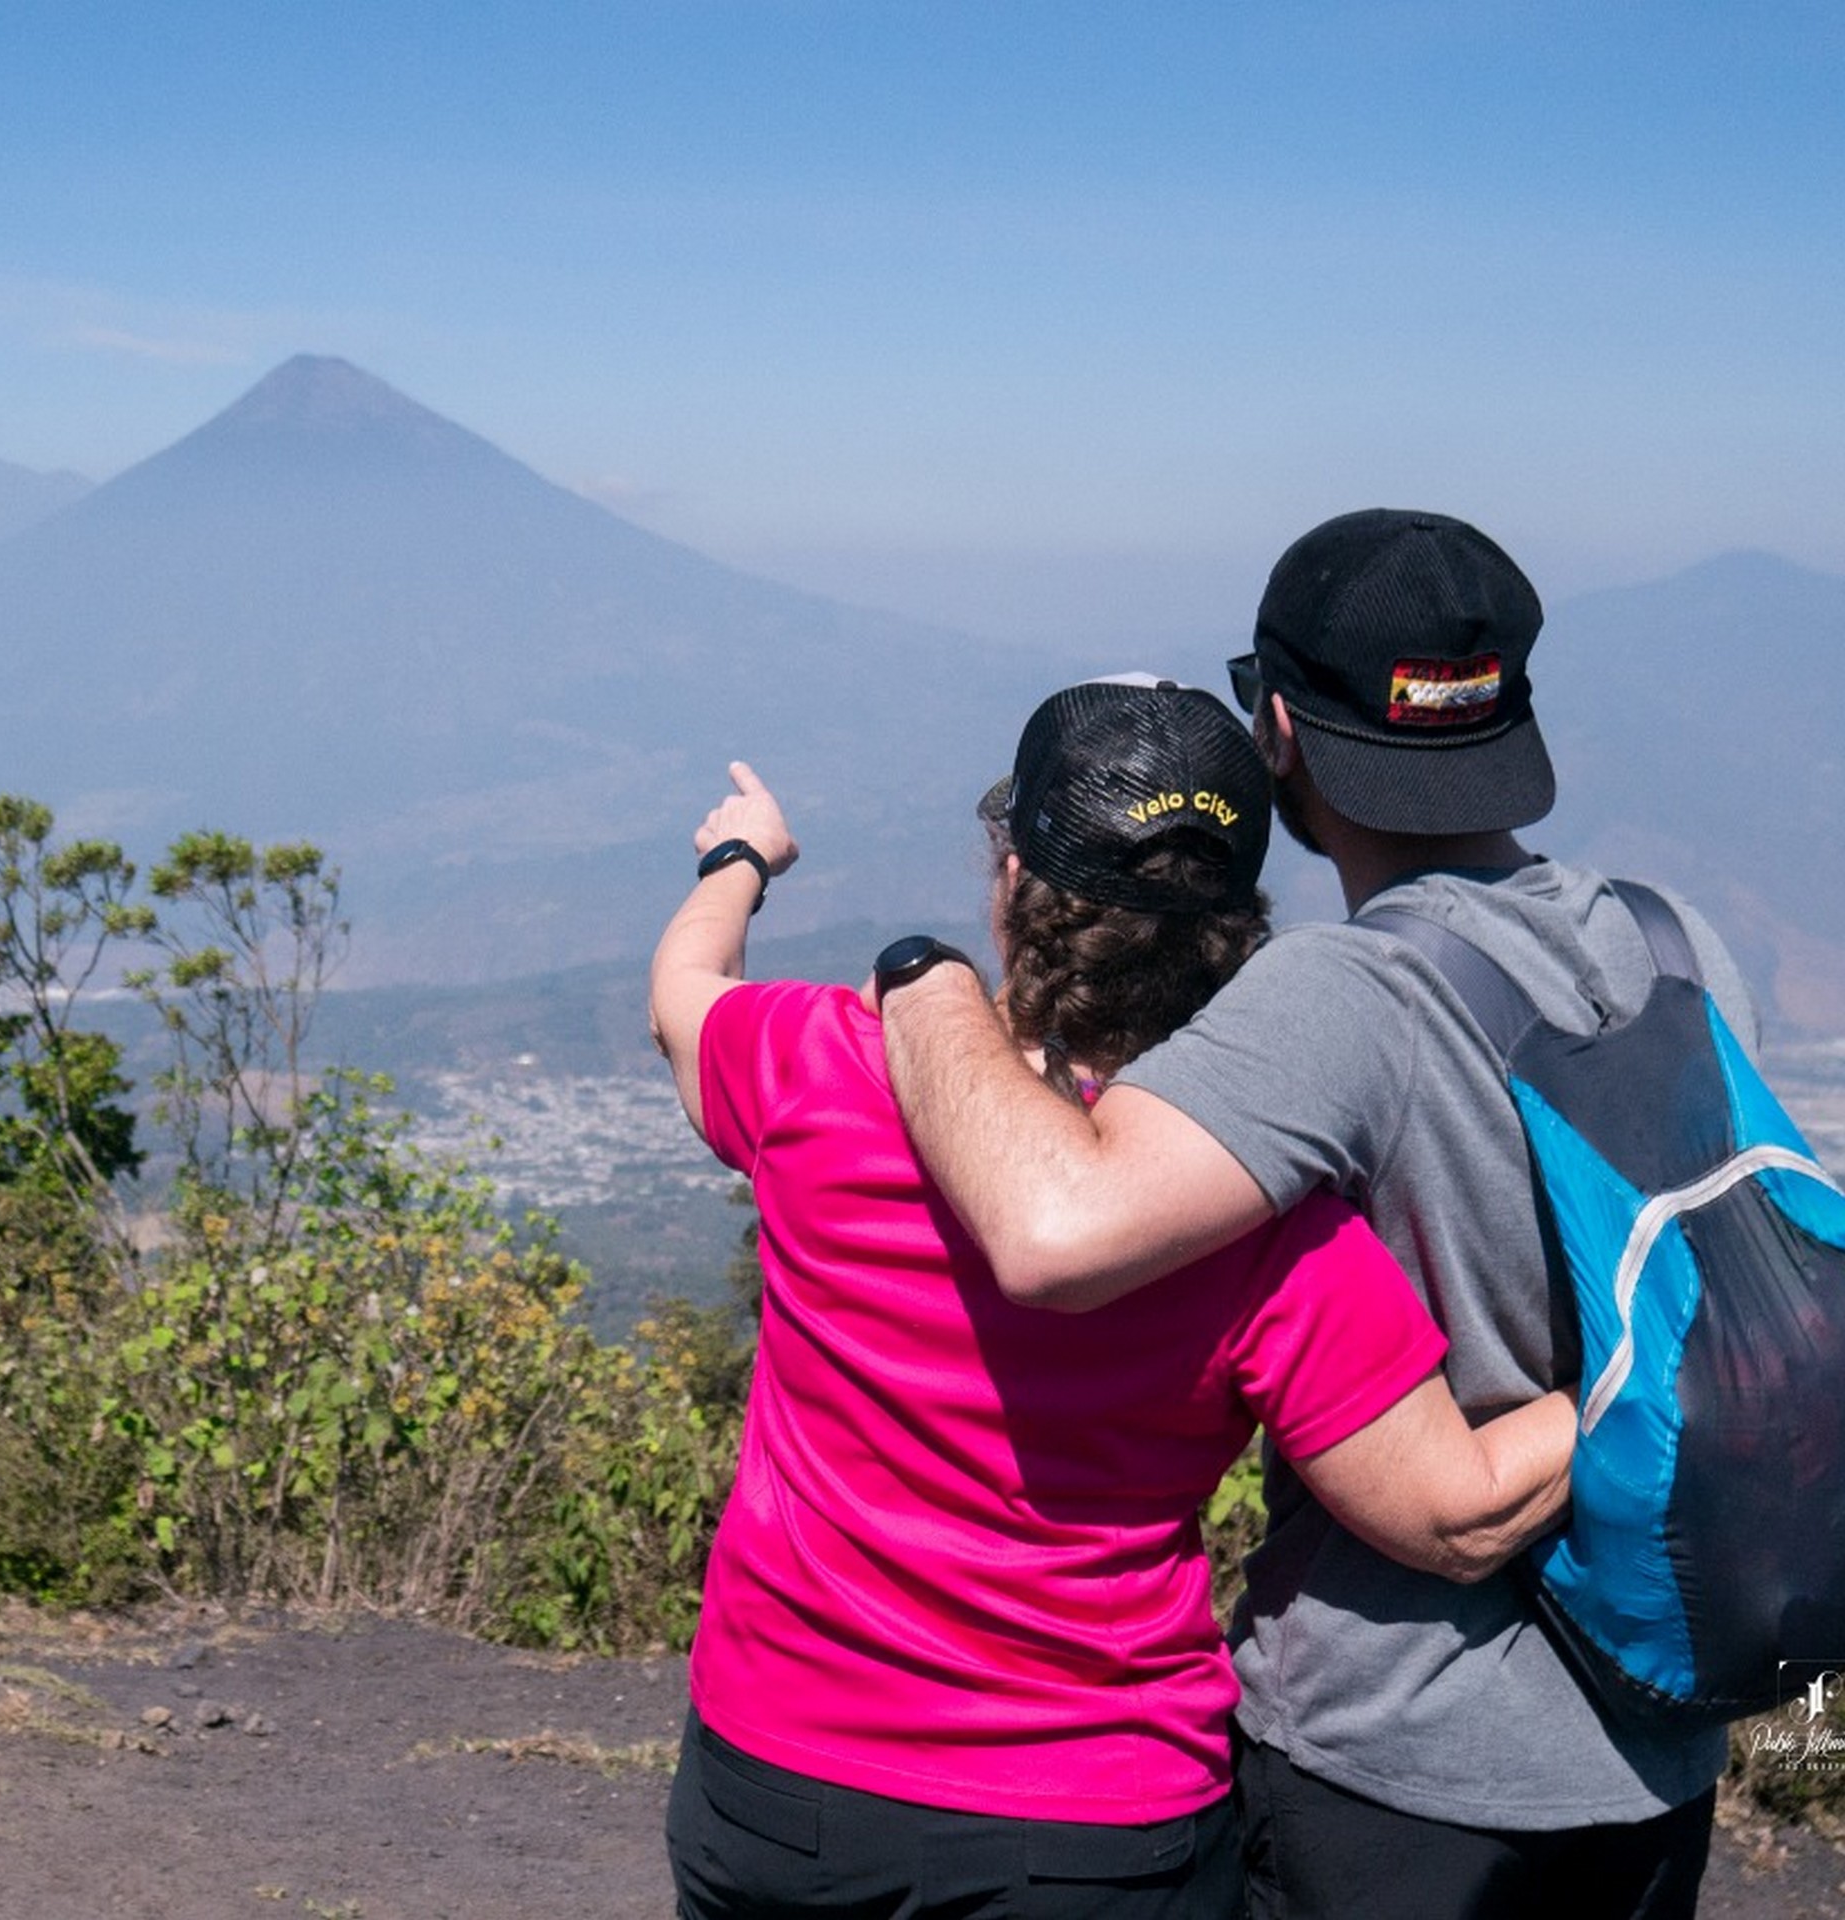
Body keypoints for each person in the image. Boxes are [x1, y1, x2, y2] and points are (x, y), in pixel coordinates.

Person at [875, 513, 1753, 1919]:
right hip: (1657, 1740)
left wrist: (924, 994)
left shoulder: (1344, 995)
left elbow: (1049, 1229)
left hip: (1400, 1763)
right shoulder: (1666, 936)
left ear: (1278, 728)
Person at [650, 677, 1578, 1920]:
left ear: (1011, 878)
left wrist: (739, 858)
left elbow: (682, 996)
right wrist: (1663, 1363)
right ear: (1239, 920)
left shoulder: (818, 1067)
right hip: (1088, 1830)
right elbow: (1454, 1515)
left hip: (777, 1788)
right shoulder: (1266, 1221)